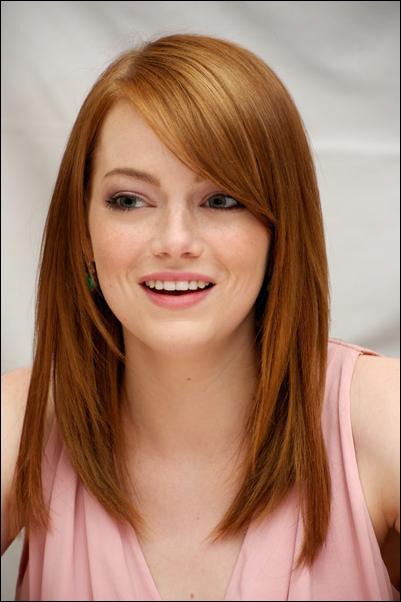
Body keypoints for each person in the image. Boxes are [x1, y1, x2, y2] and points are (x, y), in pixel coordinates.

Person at [1, 33, 399, 601]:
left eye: (220, 200)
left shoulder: (380, 415)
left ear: (280, 231)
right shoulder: (22, 422)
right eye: (129, 200)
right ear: (83, 234)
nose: (175, 241)